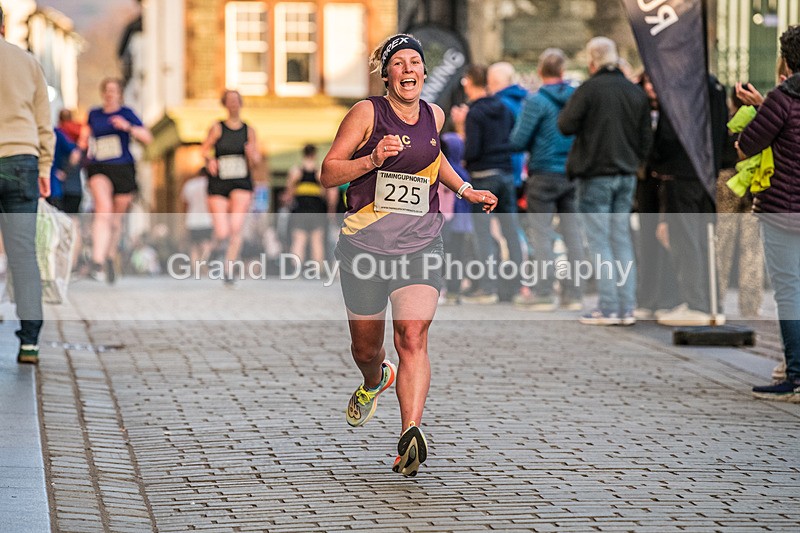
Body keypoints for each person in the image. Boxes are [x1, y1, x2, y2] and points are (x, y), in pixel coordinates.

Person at [320, 34, 497, 476]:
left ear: (422, 71)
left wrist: (465, 189)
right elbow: (328, 172)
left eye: (414, 62)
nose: (408, 70)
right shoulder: (366, 113)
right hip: (364, 247)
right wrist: (371, 159)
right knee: (366, 348)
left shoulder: (434, 115)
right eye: (398, 63)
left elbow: (434, 162)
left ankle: (410, 433)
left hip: (421, 243)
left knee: (412, 336)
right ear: (387, 74)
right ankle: (374, 378)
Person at [558, 37, 652, 325]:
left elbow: (565, 125)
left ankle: (609, 307)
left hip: (595, 173)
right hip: (626, 175)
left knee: (599, 242)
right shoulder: (635, 93)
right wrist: (634, 163)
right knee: (621, 238)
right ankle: (626, 307)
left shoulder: (589, 90)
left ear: (592, 62)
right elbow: (646, 137)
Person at [738, 25, 800, 402]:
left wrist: (759, 108)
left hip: (784, 212)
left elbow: (748, 145)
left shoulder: (784, 97)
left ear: (788, 59)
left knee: (790, 292)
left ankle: (794, 376)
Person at [509, 48, 584, 311]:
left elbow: (518, 140)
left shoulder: (536, 101)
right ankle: (573, 294)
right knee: (572, 232)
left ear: (540, 72)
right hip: (572, 173)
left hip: (543, 174)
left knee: (540, 233)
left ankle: (543, 292)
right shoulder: (577, 98)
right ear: (563, 71)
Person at [653, 74, 729, 327]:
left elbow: (667, 134)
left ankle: (696, 301)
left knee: (687, 237)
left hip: (682, 171)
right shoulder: (715, 86)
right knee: (704, 237)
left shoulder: (678, 84)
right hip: (707, 172)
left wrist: (658, 158)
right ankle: (710, 300)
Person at [0, 5, 54, 364]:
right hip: (21, 160)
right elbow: (43, 121)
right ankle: (30, 342)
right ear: (3, 24)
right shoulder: (28, 62)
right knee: (23, 255)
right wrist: (46, 165)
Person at [451, 64, 526, 305]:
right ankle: (514, 288)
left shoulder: (475, 113)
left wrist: (463, 138)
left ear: (472, 82)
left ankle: (488, 287)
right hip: (505, 174)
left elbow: (472, 150)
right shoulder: (503, 108)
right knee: (511, 232)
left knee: (482, 234)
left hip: (483, 177)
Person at [79, 78, 152, 283]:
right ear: (103, 93)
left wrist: (127, 127)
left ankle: (110, 254)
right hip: (99, 167)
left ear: (120, 94)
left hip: (123, 169)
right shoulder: (94, 114)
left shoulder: (127, 113)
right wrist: (81, 148)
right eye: (107, 90)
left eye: (114, 91)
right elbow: (85, 137)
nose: (110, 94)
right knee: (103, 209)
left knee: (116, 220)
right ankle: (97, 260)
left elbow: (147, 137)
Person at [200, 89, 262, 285]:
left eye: (236, 101)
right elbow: (203, 149)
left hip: (241, 181)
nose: (233, 104)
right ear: (225, 105)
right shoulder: (217, 127)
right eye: (230, 101)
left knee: (236, 228)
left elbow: (257, 160)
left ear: (241, 104)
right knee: (222, 231)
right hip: (219, 180)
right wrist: (209, 160)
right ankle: (213, 249)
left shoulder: (248, 130)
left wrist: (251, 153)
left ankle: (228, 269)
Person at [715, 88, 764, 319]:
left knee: (722, 242)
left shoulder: (728, 124)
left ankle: (718, 299)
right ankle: (751, 305)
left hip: (727, 180)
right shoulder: (762, 120)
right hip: (753, 181)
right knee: (752, 247)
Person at [283, 144, 329, 264]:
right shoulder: (319, 172)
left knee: (299, 240)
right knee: (317, 241)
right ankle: (317, 271)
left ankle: (296, 270)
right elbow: (326, 193)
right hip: (316, 211)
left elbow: (289, 194)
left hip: (300, 210)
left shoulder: (296, 171)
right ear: (314, 154)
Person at [488, 62, 528, 193]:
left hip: (502, 167)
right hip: (522, 164)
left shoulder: (498, 105)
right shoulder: (524, 101)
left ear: (494, 81)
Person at [180, 170, 214, 274]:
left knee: (194, 246)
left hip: (192, 219)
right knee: (206, 245)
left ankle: (195, 269)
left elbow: (184, 202)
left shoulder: (190, 184)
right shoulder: (211, 184)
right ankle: (203, 266)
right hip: (207, 219)